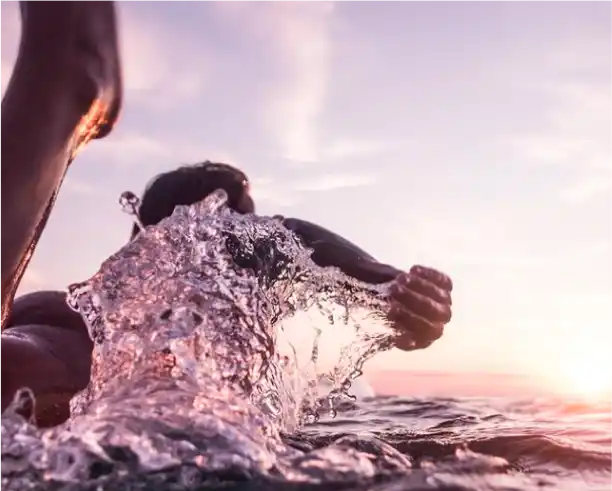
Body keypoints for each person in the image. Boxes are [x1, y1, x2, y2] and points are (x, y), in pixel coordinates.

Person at [0, 0, 452, 429]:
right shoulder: (87, 338)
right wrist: (383, 282)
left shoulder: (163, 360)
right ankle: (61, 90)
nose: (244, 259)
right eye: (234, 236)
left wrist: (390, 290)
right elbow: (283, 238)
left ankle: (60, 88)